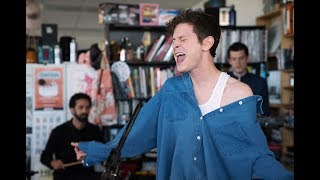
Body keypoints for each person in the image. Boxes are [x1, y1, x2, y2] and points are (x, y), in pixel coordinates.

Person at [71, 9, 293, 179]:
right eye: (173, 41)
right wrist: (96, 151)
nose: (175, 47)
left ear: (207, 43)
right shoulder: (171, 90)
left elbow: (255, 155)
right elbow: (135, 133)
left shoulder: (239, 93)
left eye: (183, 40)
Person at [40, 92, 105, 180]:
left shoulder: (95, 130)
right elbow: (44, 157)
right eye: (81, 107)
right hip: (64, 176)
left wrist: (106, 161)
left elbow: (102, 154)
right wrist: (53, 163)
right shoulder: (58, 131)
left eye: (87, 107)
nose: (85, 111)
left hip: (88, 176)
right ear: (72, 110)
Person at [227, 42, 270, 116]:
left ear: (247, 58)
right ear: (229, 61)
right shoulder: (221, 81)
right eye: (234, 59)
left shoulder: (260, 82)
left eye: (241, 58)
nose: (238, 62)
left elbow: (264, 112)